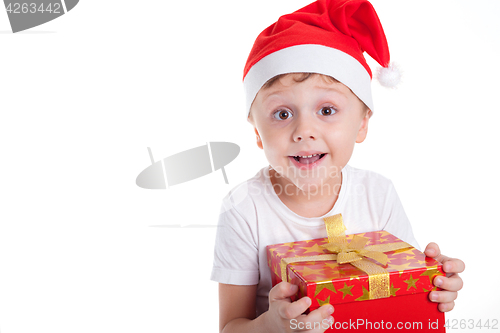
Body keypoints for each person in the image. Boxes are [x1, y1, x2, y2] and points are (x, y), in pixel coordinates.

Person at [211, 0, 465, 332]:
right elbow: (231, 326)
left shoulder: (377, 193)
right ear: (258, 134)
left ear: (362, 125)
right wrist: (271, 326)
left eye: (327, 110)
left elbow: (401, 290)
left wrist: (433, 284)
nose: (304, 131)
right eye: (282, 114)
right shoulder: (243, 208)